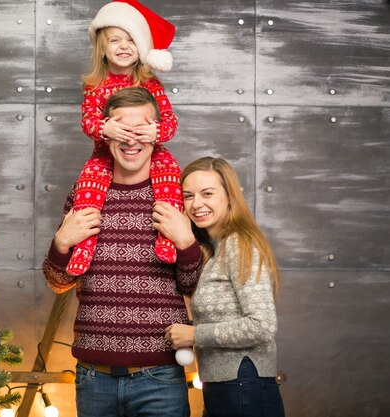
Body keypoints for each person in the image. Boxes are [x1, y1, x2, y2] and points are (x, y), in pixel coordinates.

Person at [42, 87, 202, 417]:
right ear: (105, 132)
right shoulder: (84, 193)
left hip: (159, 377)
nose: (131, 139)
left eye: (140, 128)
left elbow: (194, 287)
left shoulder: (176, 196)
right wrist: (61, 243)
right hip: (92, 377)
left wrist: (187, 244)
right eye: (121, 128)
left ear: (157, 132)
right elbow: (59, 282)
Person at [160, 157, 286, 417]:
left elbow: (262, 325)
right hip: (225, 386)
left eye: (207, 193)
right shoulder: (213, 249)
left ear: (229, 196)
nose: (196, 204)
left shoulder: (239, 243)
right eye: (188, 196)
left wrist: (194, 335)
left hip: (244, 385)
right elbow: (227, 317)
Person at [67, 0, 183, 276]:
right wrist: (103, 129)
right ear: (103, 50)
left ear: (141, 47)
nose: (123, 46)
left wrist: (157, 132)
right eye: (115, 41)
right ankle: (84, 246)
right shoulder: (95, 86)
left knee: (170, 180)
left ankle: (167, 239)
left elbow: (170, 121)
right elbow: (88, 120)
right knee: (87, 191)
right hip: (107, 155)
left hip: (150, 153)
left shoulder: (150, 84)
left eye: (131, 40)